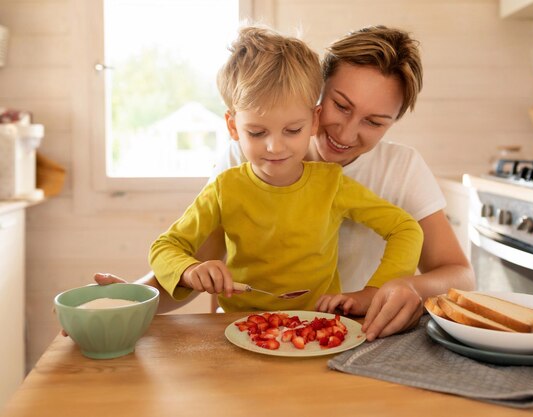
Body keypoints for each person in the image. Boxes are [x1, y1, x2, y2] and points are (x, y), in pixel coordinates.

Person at [91, 25, 474, 341]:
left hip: (344, 336)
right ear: (316, 97)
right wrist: (128, 302)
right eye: (340, 106)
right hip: (253, 333)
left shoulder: (400, 167)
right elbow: (200, 259)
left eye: (374, 122)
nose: (346, 131)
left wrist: (406, 287)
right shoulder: (245, 161)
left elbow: (460, 275)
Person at [148, 26, 423, 314]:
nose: (275, 147)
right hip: (236, 329)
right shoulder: (224, 188)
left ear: (314, 121)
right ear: (233, 127)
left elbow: (405, 229)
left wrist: (374, 292)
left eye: (292, 130)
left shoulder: (332, 185)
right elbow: (165, 247)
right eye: (256, 132)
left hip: (316, 330)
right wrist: (188, 270)